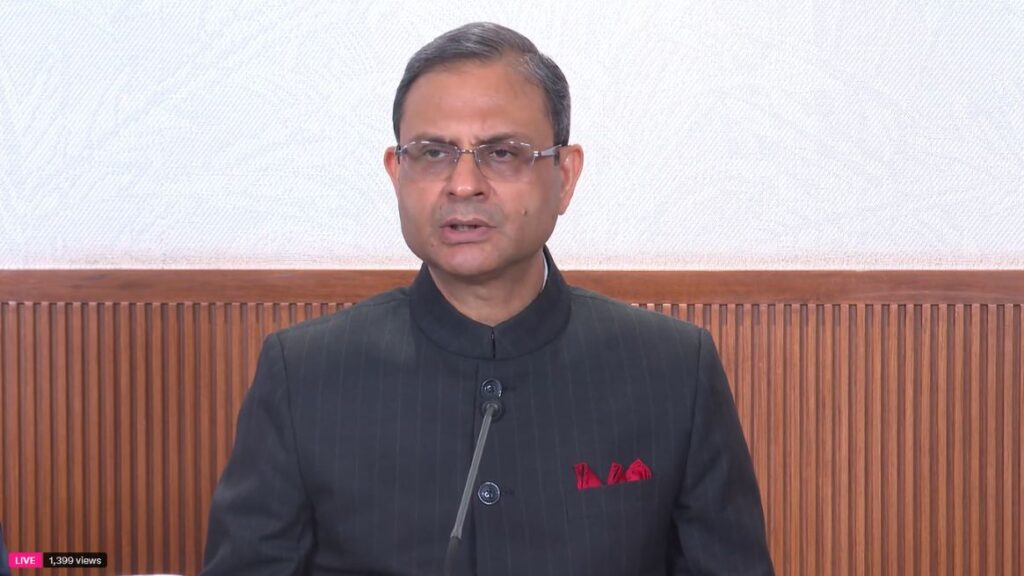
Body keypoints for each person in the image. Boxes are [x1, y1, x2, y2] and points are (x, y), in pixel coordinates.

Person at [202, 22, 773, 575]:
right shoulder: (304, 375)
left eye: (502, 153)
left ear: (565, 176)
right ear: (397, 173)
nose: (464, 184)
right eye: (433, 153)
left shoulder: (672, 370)